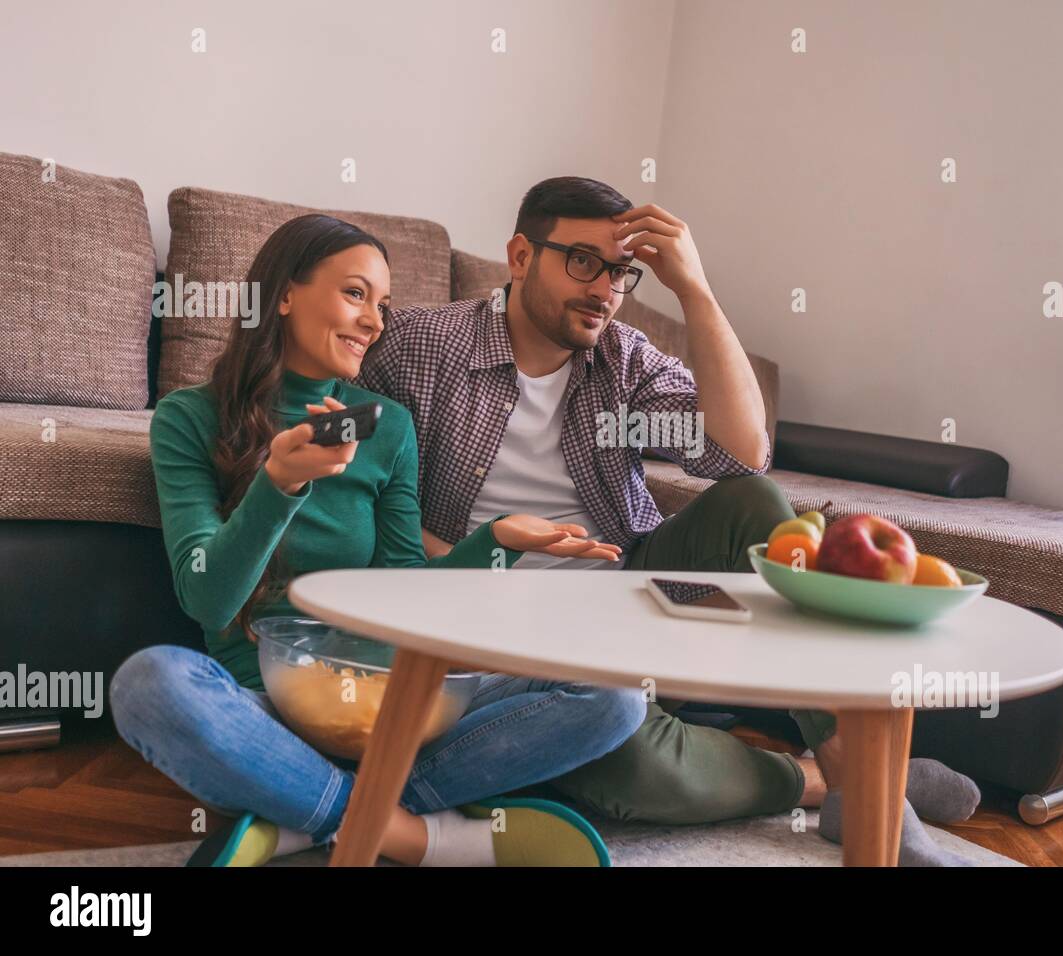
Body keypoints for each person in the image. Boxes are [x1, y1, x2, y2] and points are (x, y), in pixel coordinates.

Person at [357, 177, 982, 862]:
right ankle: (817, 781)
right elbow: (361, 499)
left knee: (757, 506)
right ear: (519, 256)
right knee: (621, 768)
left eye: (621, 272)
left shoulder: (623, 359)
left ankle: (866, 800)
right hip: (483, 617)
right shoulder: (419, 346)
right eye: (582, 261)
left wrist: (695, 290)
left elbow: (743, 455)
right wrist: (475, 563)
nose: (604, 289)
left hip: (625, 599)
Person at [109, 214, 646, 867]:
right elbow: (209, 601)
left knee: (615, 696)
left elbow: (404, 598)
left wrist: (496, 543)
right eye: (355, 294)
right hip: (262, 707)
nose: (375, 322)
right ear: (282, 294)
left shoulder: (385, 426)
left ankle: (301, 817)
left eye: (383, 305)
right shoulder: (190, 418)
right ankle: (416, 836)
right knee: (149, 683)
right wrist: (278, 482)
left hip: (388, 710)